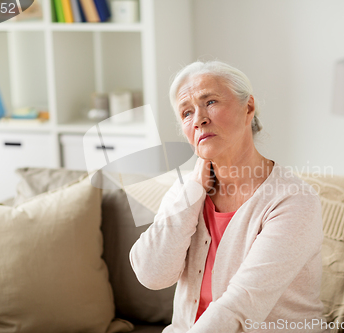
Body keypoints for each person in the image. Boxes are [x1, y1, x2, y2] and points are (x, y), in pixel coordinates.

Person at [130, 60, 328, 333]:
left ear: (248, 107)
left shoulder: (293, 201)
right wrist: (192, 190)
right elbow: (151, 274)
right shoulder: (185, 191)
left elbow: (241, 306)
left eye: (210, 101)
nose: (198, 118)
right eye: (186, 113)